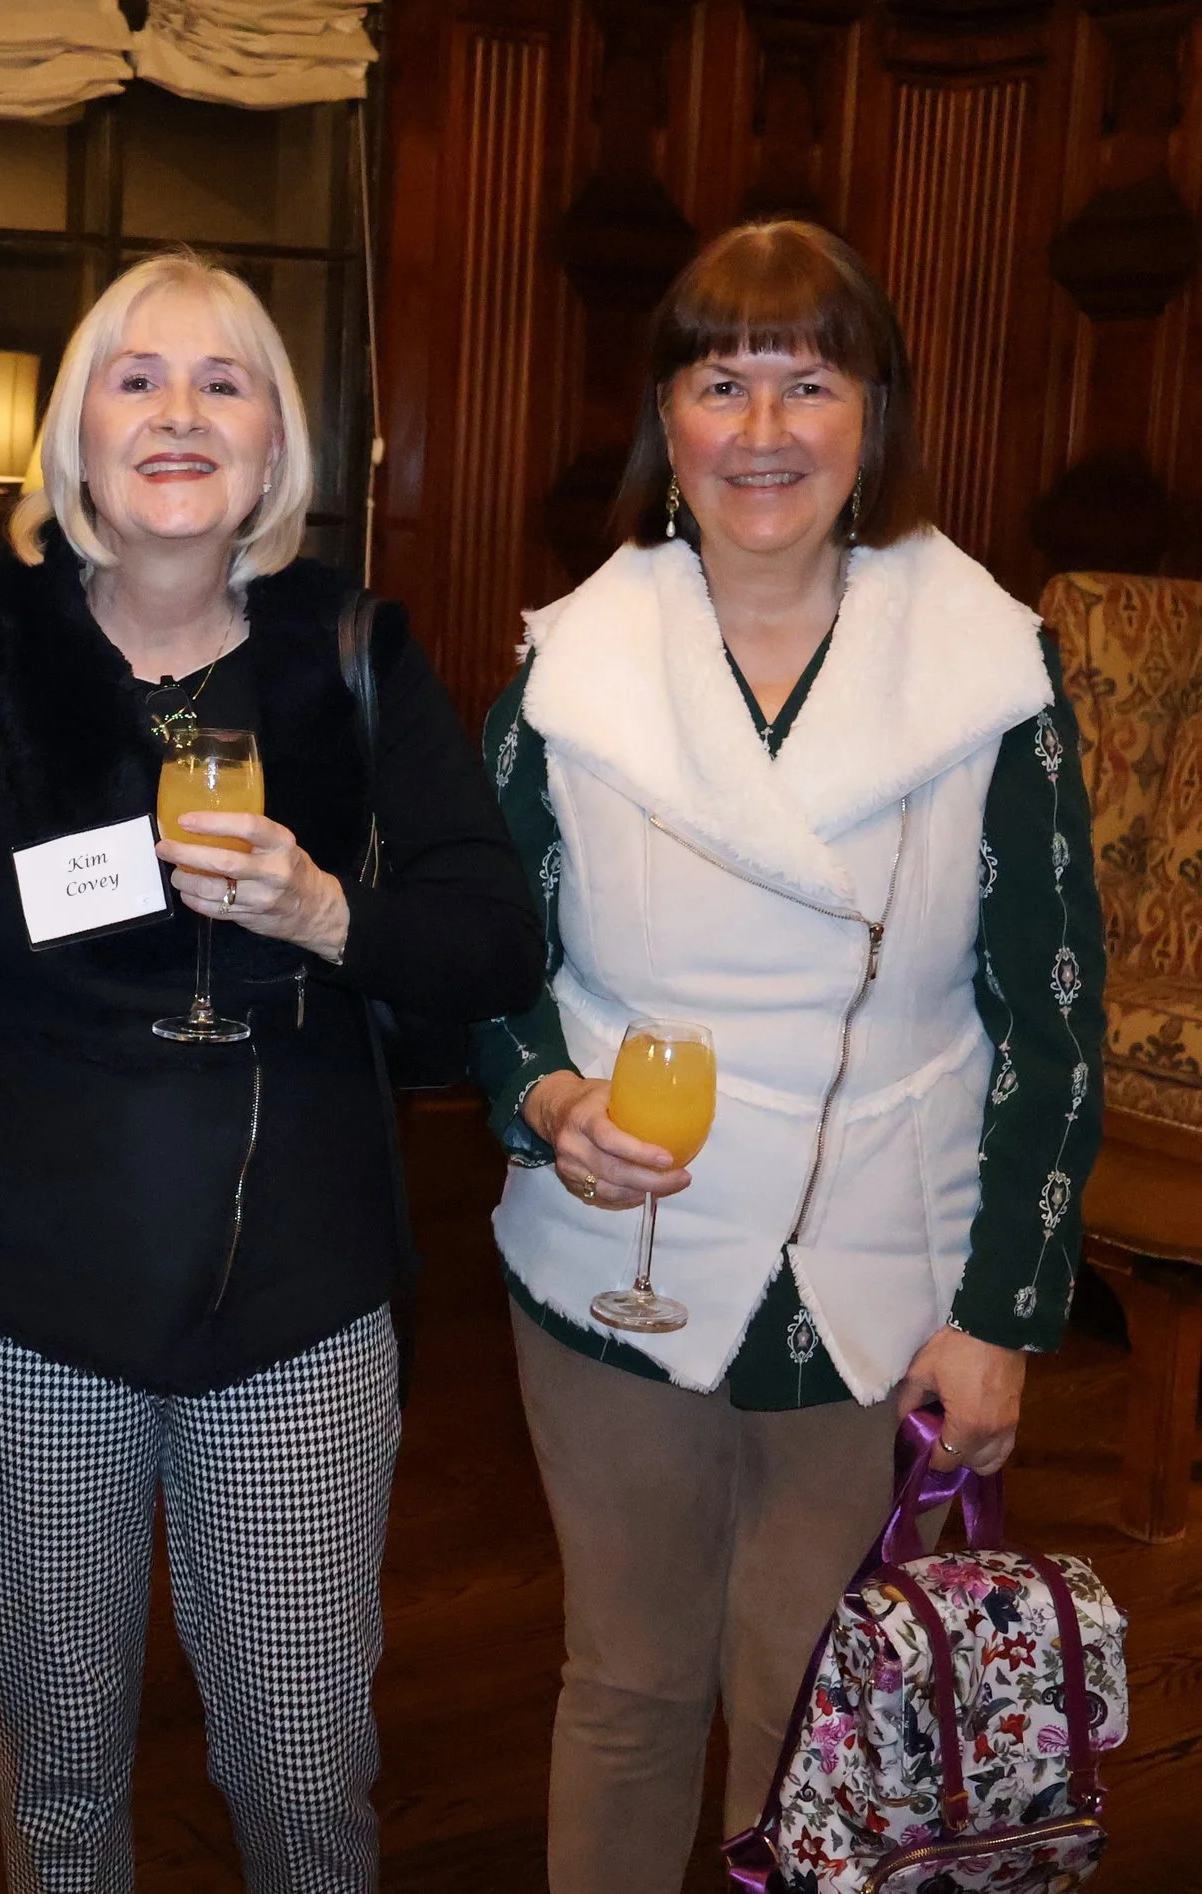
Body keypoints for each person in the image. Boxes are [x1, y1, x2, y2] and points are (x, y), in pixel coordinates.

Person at [0, 251, 544, 1890]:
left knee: (307, 1776)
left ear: (272, 450)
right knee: (58, 1786)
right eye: (136, 378)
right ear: (75, 435)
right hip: (27, 1305)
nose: (178, 412)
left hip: (294, 1304)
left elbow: (490, 940)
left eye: (223, 381)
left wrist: (326, 911)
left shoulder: (354, 651)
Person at [473, 220, 1108, 1892]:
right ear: (664, 420)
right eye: (721, 383)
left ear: (873, 418)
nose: (763, 430)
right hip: (617, 1253)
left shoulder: (987, 662)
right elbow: (479, 952)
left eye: (809, 384)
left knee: (822, 1709)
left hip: (888, 1266)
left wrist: (1004, 1313)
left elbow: (1051, 1010)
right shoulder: (571, 661)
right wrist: (544, 1097)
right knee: (626, 1686)